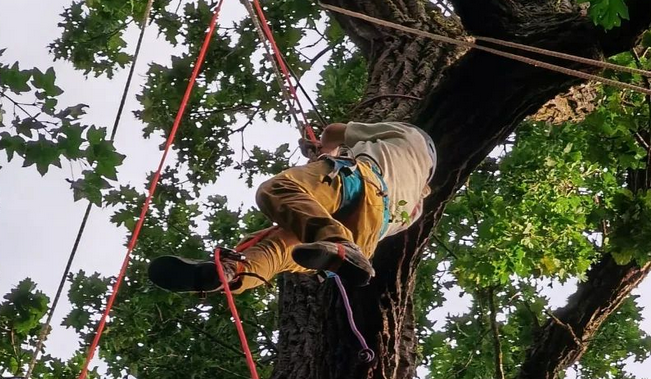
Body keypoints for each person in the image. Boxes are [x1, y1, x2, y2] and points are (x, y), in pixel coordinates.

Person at [147, 120, 437, 294]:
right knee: (280, 249)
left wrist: (325, 150)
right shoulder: (416, 207)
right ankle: (229, 272)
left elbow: (333, 132)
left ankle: (235, 272)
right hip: (367, 234)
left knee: (276, 191)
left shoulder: (407, 135)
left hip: (358, 182)